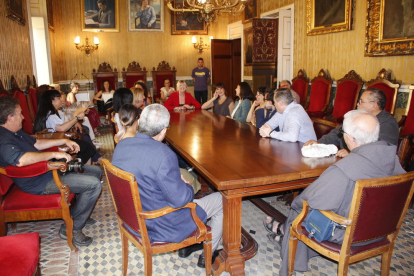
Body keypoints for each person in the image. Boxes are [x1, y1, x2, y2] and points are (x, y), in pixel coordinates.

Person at [263, 109, 405, 276]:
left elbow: (308, 200)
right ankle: (284, 231)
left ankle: (289, 243)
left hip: (347, 233)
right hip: (381, 229)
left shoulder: (344, 169)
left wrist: (298, 203)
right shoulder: (392, 159)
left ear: (349, 138)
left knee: (299, 210)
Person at [111, 104, 223, 268]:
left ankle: (191, 245)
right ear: (163, 130)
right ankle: (211, 250)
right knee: (222, 199)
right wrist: (188, 186)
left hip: (132, 219)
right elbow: (179, 201)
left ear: (140, 122)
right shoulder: (164, 154)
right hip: (160, 225)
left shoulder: (122, 145)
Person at [0, 97, 102, 247]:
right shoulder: (3, 139)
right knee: (94, 185)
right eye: (20, 114)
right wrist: (53, 154)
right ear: (10, 118)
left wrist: (63, 141)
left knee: (95, 171)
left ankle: (78, 214)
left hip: (48, 171)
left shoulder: (16, 132)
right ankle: (73, 228)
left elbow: (37, 143)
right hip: (38, 181)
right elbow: (20, 160)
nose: (23, 117)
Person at [303, 88, 399, 158]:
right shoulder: (358, 116)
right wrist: (319, 143)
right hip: (343, 159)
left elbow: (380, 151)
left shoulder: (388, 124)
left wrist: (352, 153)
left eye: (361, 101)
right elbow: (338, 133)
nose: (358, 104)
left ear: (374, 105)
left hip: (367, 168)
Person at [33, 90, 101, 165]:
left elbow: (67, 117)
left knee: (85, 137)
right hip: (56, 141)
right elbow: (61, 129)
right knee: (85, 145)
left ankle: (91, 163)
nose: (61, 100)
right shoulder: (50, 115)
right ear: (52, 101)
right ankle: (89, 165)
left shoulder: (55, 112)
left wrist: (76, 121)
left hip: (60, 138)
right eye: (59, 98)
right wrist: (77, 118)